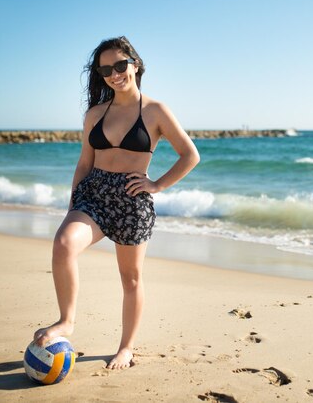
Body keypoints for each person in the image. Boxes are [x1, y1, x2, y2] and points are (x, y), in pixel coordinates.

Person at [33, 36, 200, 370]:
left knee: (131, 279)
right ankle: (67, 321)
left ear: (134, 65)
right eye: (106, 69)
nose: (114, 74)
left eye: (120, 65)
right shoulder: (95, 113)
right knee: (64, 244)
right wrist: (72, 207)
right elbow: (84, 163)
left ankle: (126, 347)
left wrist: (156, 184)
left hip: (132, 201)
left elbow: (190, 155)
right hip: (93, 193)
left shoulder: (156, 111)